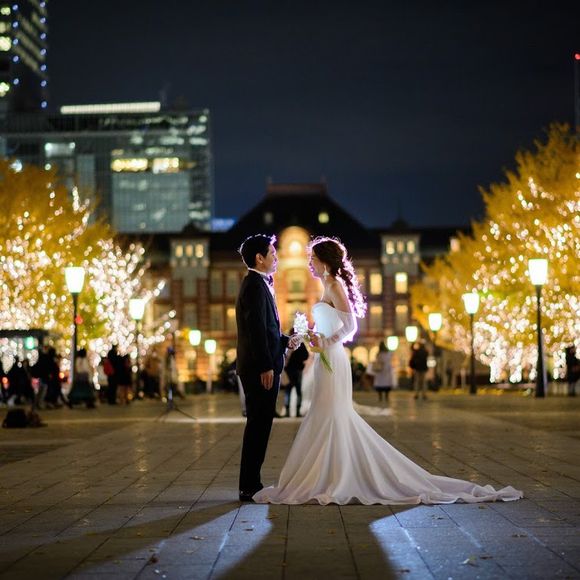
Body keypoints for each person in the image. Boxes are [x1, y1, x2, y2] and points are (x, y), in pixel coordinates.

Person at [254, 236, 522, 505]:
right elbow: (331, 325)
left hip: (333, 359)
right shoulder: (327, 286)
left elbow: (350, 326)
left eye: (313, 258)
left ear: (325, 260)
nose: (310, 263)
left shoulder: (335, 285)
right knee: (324, 412)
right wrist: (312, 335)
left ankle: (337, 476)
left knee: (333, 413)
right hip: (326, 357)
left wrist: (326, 341)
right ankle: (326, 474)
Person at [235, 234, 299, 502]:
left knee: (261, 426)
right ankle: (249, 485)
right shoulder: (253, 285)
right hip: (259, 369)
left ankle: (252, 483)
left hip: (264, 365)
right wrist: (265, 366)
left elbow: (267, 328)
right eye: (272, 253)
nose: (276, 258)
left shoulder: (259, 284)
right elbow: (255, 330)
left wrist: (285, 340)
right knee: (258, 427)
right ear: (259, 258)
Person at [283, 339, 309, 417]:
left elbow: (283, 355)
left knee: (288, 391)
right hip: (298, 369)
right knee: (298, 391)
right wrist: (299, 360)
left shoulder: (289, 341)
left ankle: (287, 412)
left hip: (289, 370)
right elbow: (306, 355)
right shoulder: (301, 343)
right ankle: (297, 412)